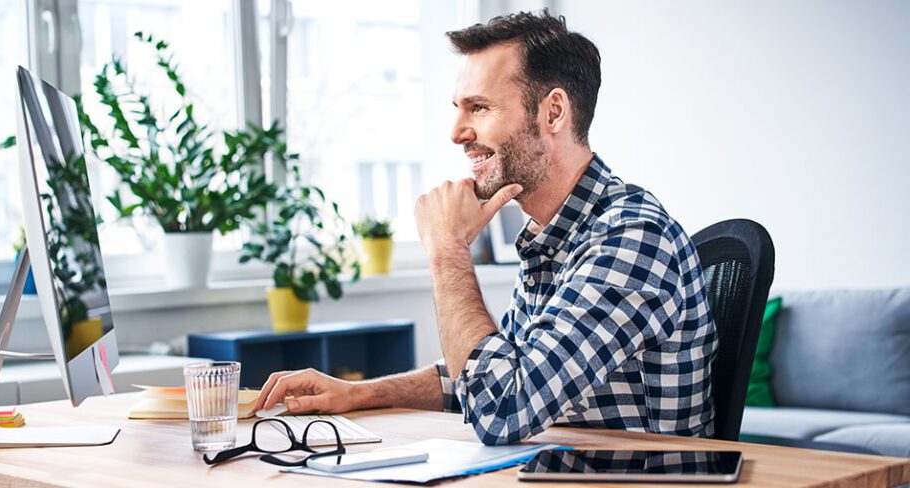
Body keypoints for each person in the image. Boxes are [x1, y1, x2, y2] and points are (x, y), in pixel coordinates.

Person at [253, 10, 717, 446]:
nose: (457, 132)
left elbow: (502, 408)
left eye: (478, 108)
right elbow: (490, 379)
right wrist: (358, 395)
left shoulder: (630, 239)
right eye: (459, 108)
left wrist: (447, 248)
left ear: (553, 112)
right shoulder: (553, 238)